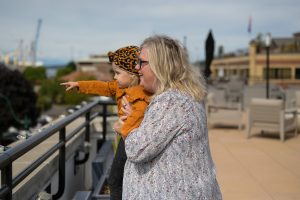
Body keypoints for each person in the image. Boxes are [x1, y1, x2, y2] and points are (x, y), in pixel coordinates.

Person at [120, 35, 222, 200]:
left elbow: (137, 149)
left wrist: (128, 124)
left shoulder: (172, 102)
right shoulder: (181, 97)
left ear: (161, 65)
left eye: (142, 63)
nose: (137, 68)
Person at [60, 46, 152, 200]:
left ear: (132, 74)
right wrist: (79, 85)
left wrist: (122, 128)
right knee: (122, 176)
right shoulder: (119, 87)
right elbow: (103, 86)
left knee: (115, 179)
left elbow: (138, 117)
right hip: (126, 137)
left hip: (130, 139)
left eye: (117, 73)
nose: (114, 77)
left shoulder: (141, 95)